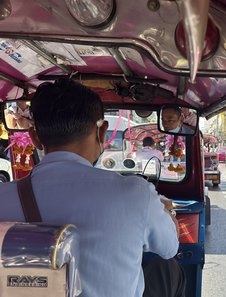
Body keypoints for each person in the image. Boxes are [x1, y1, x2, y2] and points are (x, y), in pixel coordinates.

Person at [0, 79, 185, 297]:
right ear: (102, 132)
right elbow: (169, 248)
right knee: (169, 270)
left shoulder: (4, 197)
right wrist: (168, 212)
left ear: (34, 138)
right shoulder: (136, 194)